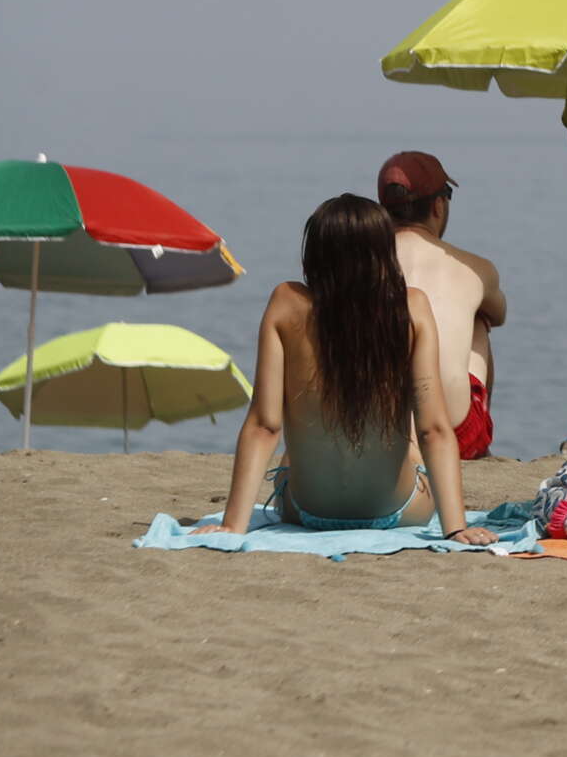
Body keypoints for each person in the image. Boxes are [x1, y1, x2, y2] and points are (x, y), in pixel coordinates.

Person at [193, 195, 494, 542]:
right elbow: (434, 430)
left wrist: (233, 526)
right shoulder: (411, 308)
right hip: (398, 510)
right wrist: (456, 528)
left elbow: (264, 425)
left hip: (307, 511)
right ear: (383, 253)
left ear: (316, 254)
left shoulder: (286, 302)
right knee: (410, 438)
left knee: (294, 452)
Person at [377, 151, 506, 460]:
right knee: (479, 320)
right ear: (438, 206)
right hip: (453, 437)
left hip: (370, 431)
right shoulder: (475, 268)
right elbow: (500, 314)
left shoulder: (355, 262)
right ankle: (480, 444)